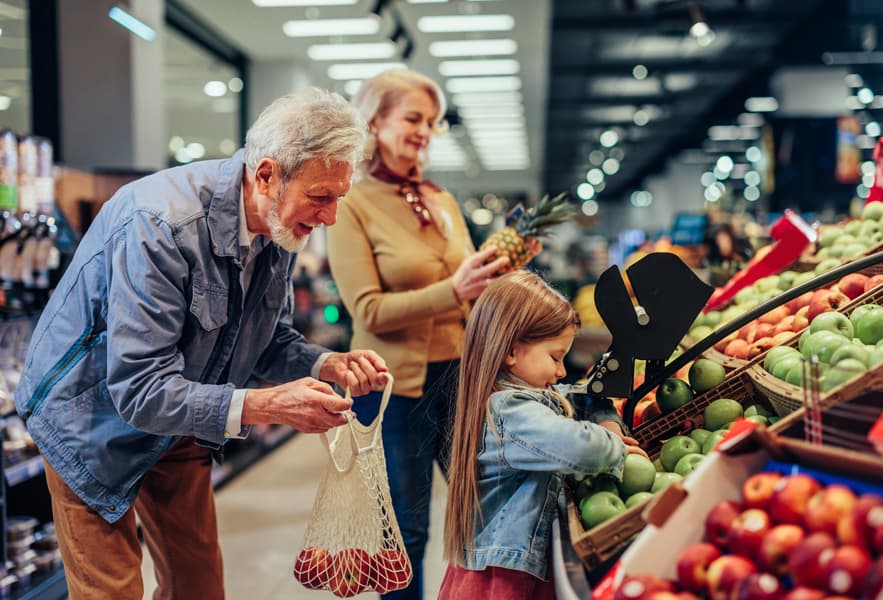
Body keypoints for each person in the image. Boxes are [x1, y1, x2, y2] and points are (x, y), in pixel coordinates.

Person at [13, 88, 390, 599]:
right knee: (112, 591)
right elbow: (140, 388)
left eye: (338, 198)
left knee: (199, 588)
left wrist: (325, 363)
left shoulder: (277, 227)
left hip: (183, 413)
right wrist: (264, 405)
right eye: (321, 197)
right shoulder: (160, 225)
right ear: (266, 175)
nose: (330, 217)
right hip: (89, 419)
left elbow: (265, 337)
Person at [326, 69, 508, 599]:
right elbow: (368, 310)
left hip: (459, 377)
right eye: (412, 118)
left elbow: (468, 287)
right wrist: (454, 290)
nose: (424, 130)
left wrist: (495, 275)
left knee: (484, 509)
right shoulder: (350, 202)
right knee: (404, 531)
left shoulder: (440, 199)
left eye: (431, 121)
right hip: (391, 391)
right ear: (374, 121)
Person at [441, 270, 647, 599]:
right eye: (555, 357)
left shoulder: (519, 396)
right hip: (502, 582)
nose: (562, 371)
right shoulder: (509, 411)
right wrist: (615, 448)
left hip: (512, 569)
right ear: (511, 352)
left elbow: (570, 396)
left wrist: (601, 409)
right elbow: (577, 447)